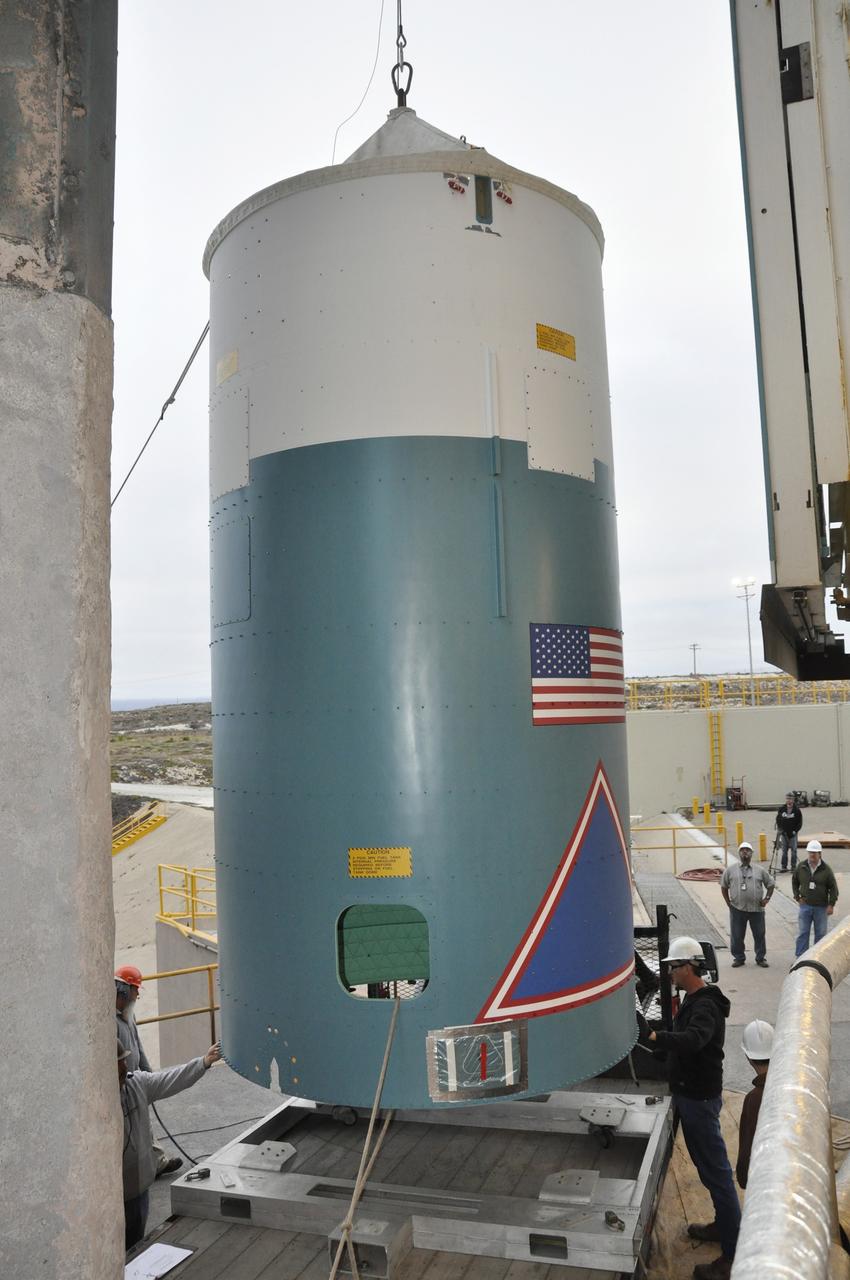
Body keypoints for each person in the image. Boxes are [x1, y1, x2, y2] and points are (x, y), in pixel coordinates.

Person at [638, 935, 740, 1280]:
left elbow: (694, 1041)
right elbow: (682, 1043)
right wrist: (655, 1046)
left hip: (698, 1099)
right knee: (708, 1168)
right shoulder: (693, 1000)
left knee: (718, 1175)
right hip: (692, 1094)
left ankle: (732, 1254)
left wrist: (654, 1037)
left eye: (672, 967)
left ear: (688, 967)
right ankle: (722, 1226)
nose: (668, 973)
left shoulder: (705, 1007)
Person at [120, 1036, 222, 1250]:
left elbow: (172, 1079)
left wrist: (204, 1062)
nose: (123, 1066)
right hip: (115, 1192)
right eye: (118, 1061)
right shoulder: (94, 1099)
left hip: (139, 1186)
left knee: (135, 1242)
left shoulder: (137, 1083)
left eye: (123, 1061)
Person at [115, 964, 182, 1177]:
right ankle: (145, 1166)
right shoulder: (110, 1021)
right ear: (124, 990)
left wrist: (148, 1071)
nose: (137, 995)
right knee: (134, 1128)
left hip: (137, 1080)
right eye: (135, 990)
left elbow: (137, 1044)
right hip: (124, 1084)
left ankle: (158, 1162)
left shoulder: (128, 1014)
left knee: (144, 1123)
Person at [720, 842, 774, 968]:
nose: (745, 852)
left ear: (751, 853)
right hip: (737, 909)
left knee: (759, 934)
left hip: (757, 909)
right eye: (742, 850)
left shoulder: (760, 870)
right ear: (739, 853)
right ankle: (739, 958)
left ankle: (760, 958)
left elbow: (770, 885)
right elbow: (723, 886)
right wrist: (728, 902)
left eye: (748, 850)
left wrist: (766, 898)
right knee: (737, 935)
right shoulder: (730, 870)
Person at [736, 1020, 773, 1189]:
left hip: (765, 1182)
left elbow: (748, 1144)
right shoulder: (790, 1085)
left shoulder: (755, 1099)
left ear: (747, 1057)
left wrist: (743, 1177)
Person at [793, 839, 839, 957]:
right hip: (805, 906)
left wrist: (831, 904)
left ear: (820, 853)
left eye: (815, 852)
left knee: (821, 935)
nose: (812, 855)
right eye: (810, 852)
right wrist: (797, 896)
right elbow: (795, 881)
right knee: (803, 933)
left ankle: (818, 958)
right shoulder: (801, 867)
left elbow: (833, 888)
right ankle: (800, 958)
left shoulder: (826, 870)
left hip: (821, 908)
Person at [775, 792, 803, 873]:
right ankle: (784, 867)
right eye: (787, 798)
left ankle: (793, 867)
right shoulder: (782, 809)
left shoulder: (797, 810)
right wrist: (780, 829)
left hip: (793, 834)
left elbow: (800, 822)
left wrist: (795, 831)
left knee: (794, 851)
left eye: (790, 799)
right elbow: (778, 819)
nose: (788, 800)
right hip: (783, 834)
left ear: (793, 800)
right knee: (784, 851)